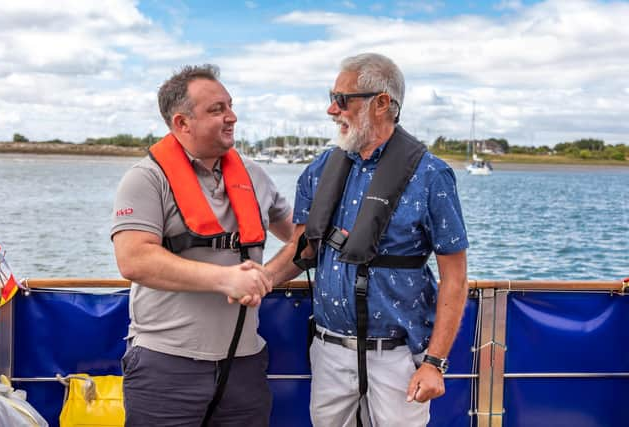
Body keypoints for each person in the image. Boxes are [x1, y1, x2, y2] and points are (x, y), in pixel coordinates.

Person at [266, 53, 469, 427]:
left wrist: (434, 363)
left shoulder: (432, 176)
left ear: (381, 103)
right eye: (332, 97)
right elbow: (301, 248)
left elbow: (455, 278)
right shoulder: (318, 170)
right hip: (329, 352)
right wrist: (260, 281)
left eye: (342, 99)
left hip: (397, 358)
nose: (331, 109)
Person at [111, 64, 293, 426]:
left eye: (229, 105)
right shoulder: (145, 179)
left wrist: (268, 275)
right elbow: (133, 259)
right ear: (182, 123)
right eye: (217, 110)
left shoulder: (255, 175)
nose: (232, 117)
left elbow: (301, 236)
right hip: (166, 367)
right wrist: (225, 279)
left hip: (245, 366)